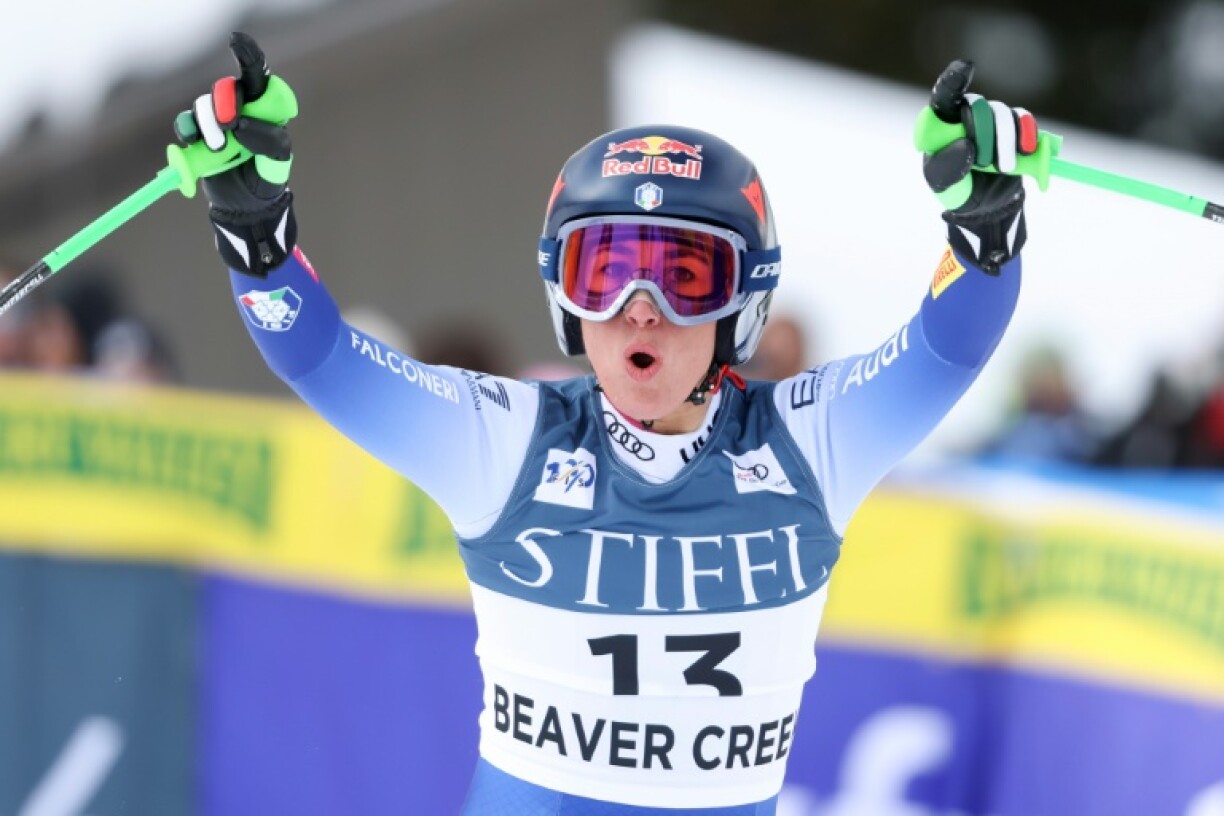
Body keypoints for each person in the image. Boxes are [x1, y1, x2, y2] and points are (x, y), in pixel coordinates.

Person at [181, 33, 1033, 815]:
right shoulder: (509, 443)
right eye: (605, 272)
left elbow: (945, 350)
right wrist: (257, 235)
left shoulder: (808, 444)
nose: (641, 313)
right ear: (563, 296)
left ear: (746, 301)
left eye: (686, 276)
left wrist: (984, 231)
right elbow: (321, 359)